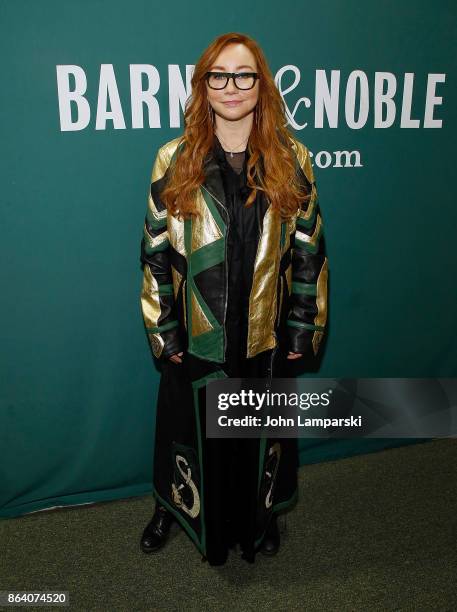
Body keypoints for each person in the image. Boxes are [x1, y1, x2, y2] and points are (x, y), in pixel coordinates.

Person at [138, 32, 329, 566]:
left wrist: (301, 326)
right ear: (204, 86)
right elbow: (154, 255)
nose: (231, 87)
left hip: (264, 336)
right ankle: (172, 510)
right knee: (187, 433)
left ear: (260, 85)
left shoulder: (292, 159)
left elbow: (310, 251)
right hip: (197, 338)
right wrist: (165, 331)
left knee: (258, 435)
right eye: (218, 76)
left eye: (243, 75)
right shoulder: (173, 159)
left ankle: (260, 517)